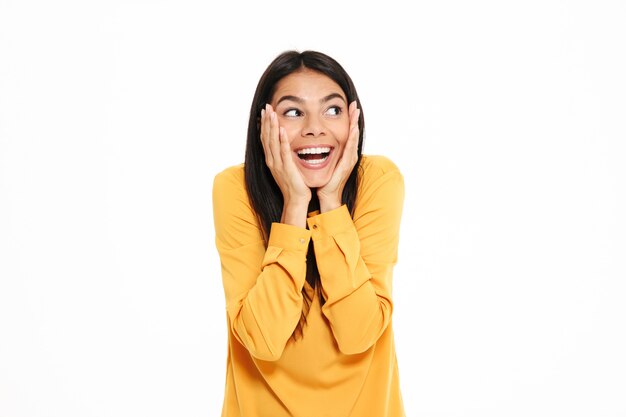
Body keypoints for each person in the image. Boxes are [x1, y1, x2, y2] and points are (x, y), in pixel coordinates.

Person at [212, 50, 406, 417]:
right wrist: (295, 206)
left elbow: (359, 333)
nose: (315, 127)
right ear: (263, 125)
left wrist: (331, 202)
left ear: (354, 120)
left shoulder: (377, 182)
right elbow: (262, 339)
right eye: (293, 112)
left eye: (332, 110)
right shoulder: (235, 189)